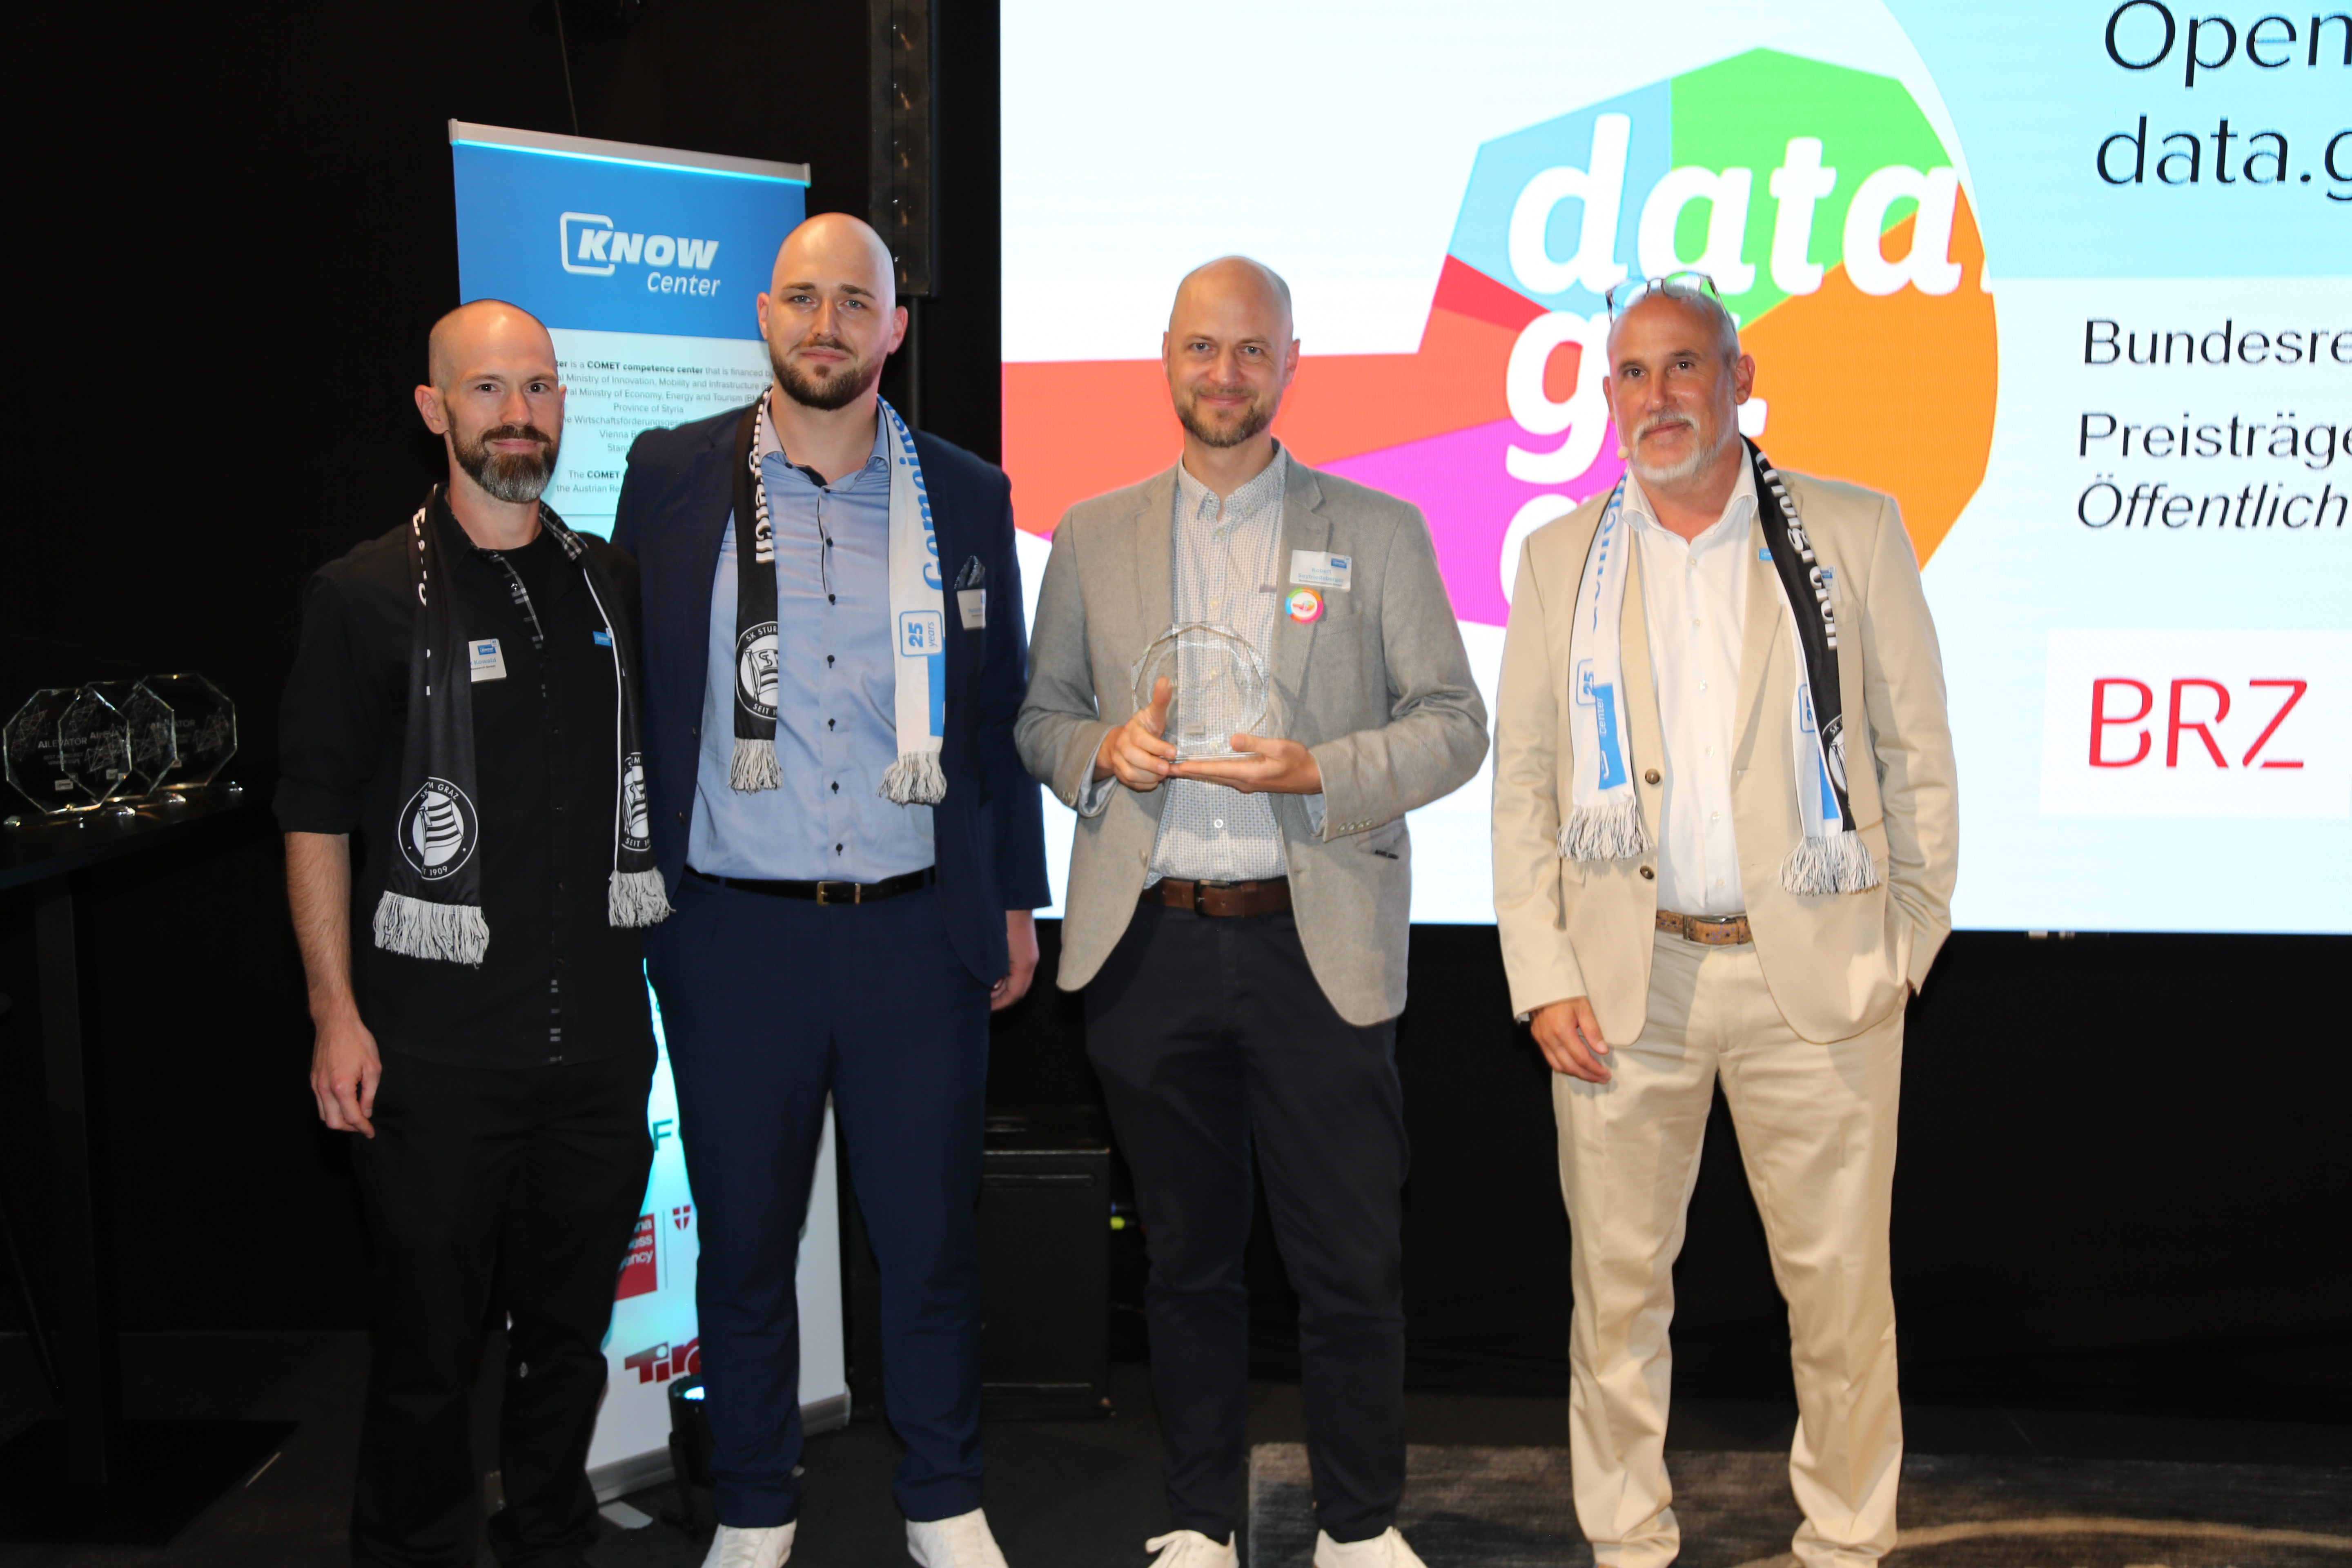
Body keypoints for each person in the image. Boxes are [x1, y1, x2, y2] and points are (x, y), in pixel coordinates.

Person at [1016, 257, 1488, 1568]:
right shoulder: (1093, 534)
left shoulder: (1377, 529)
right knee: (1185, 1265)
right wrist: (1100, 751)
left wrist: (1321, 769)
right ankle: (1197, 1520)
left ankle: (1358, 1525)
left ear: (1290, 363)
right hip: (1149, 943)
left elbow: (1457, 723)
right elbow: (1040, 716)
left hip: (1314, 942)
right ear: (1165, 355)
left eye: (1251, 351)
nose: (1225, 374)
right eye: (1203, 348)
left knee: (1350, 1265)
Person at [1490, 274, 1959, 1567]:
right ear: (1608, 398)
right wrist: (1542, 973)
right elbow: (1525, 786)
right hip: (1620, 990)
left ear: (1740, 380)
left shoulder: (1853, 533)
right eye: (1633, 374)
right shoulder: (1558, 562)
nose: (1658, 397)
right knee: (1616, 1301)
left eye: (1684, 366)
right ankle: (1627, 1541)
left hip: (1820, 988)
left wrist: (1905, 947)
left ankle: (1846, 1543)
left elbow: (1918, 755)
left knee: (1841, 1301)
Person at [610, 212, 1047, 1568]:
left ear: (895, 328)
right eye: (802, 298)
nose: (826, 324)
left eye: (855, 301)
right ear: (764, 315)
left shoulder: (966, 493)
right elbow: (636, 699)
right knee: (744, 1246)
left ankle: (944, 1498)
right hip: (733, 938)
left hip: (918, 937)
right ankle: (754, 1505)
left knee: (929, 1244)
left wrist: (1015, 902)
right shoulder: (670, 476)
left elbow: (999, 719)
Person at [278, 299, 667, 1568]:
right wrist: (334, 1013)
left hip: (597, 1052)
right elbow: (314, 812)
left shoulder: (610, 584)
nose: (518, 415)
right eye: (489, 389)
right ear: (433, 408)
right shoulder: (362, 595)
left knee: (567, 1342)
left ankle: (547, 1532)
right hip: (435, 1060)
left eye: (539, 387)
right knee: (427, 1356)